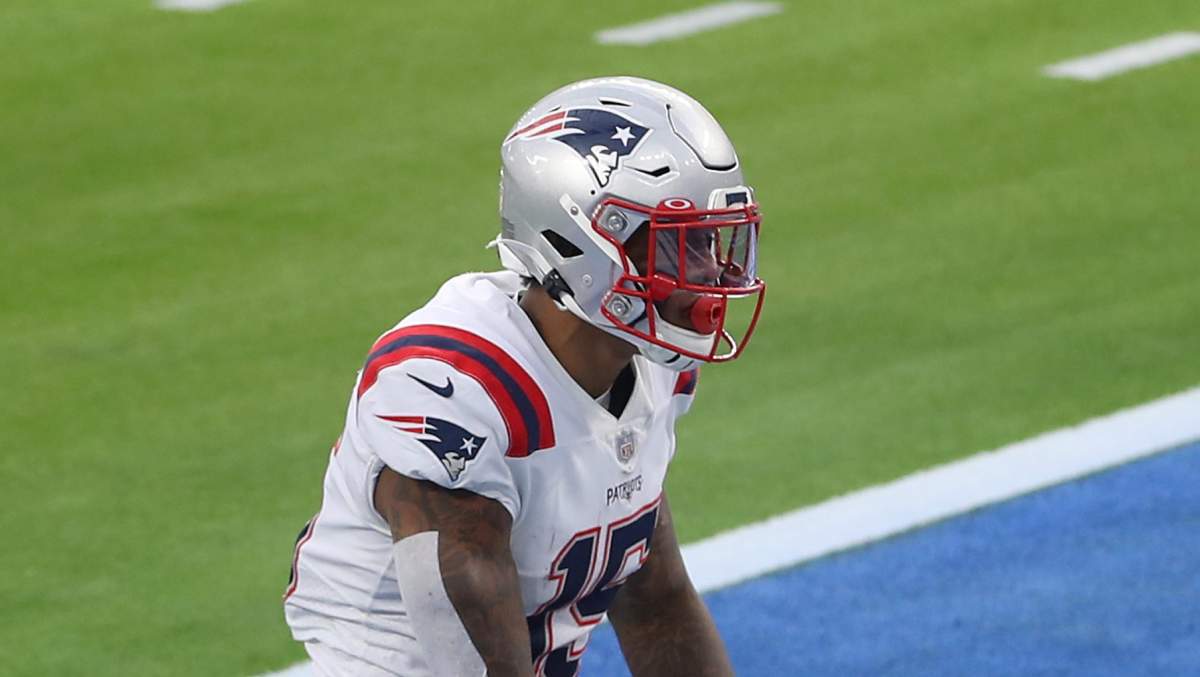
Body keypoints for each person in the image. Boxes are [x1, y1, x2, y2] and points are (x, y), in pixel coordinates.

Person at [283, 76, 766, 676]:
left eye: (709, 241)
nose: (709, 272)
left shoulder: (646, 368)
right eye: (677, 246)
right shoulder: (455, 384)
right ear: (579, 243)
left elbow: (657, 606)